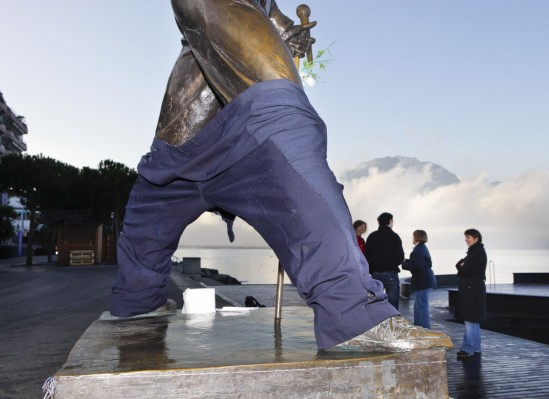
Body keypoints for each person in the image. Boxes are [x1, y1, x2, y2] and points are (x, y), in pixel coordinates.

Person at [109, 0, 451, 352]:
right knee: (283, 120)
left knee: (286, 132)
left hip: (228, 137)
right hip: (187, 140)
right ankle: (138, 300)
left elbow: (268, 10)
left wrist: (286, 30)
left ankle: (352, 312)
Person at [455, 228, 487, 359]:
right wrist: (461, 266)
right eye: (466, 237)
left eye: (468, 237)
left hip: (471, 290)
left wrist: (460, 267)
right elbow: (462, 266)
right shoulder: (475, 252)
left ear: (476, 238)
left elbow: (464, 269)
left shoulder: (477, 253)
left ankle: (468, 349)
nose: (466, 239)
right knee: (473, 319)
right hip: (473, 289)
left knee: (470, 319)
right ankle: (476, 347)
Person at [365, 212, 404, 310]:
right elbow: (400, 257)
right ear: (390, 221)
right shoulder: (394, 236)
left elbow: (366, 256)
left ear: (379, 222)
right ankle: (392, 324)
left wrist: (372, 270)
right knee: (393, 305)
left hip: (376, 274)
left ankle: (377, 323)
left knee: (375, 304)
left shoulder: (372, 236)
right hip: (391, 274)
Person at [402, 230, 436, 329]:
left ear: (417, 236)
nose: (412, 238)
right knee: (419, 306)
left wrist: (404, 262)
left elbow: (417, 266)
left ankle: (424, 329)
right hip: (424, 280)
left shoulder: (419, 250)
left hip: (423, 281)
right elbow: (418, 263)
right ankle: (419, 327)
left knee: (421, 307)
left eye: (413, 236)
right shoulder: (421, 248)